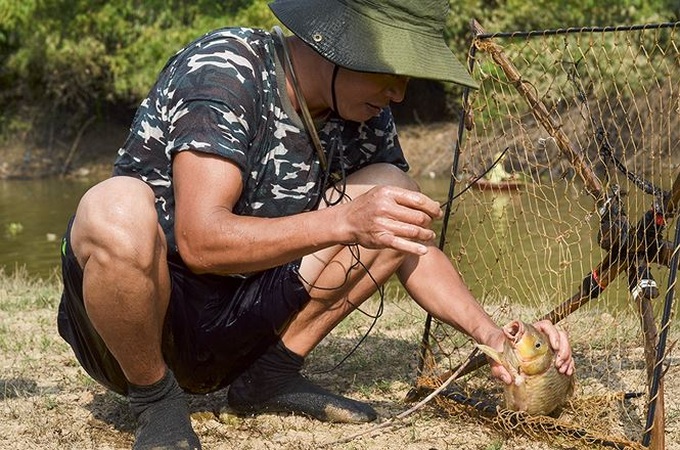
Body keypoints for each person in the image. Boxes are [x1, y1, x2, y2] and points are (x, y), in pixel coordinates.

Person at [57, 0, 575, 449]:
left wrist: (495, 339)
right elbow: (199, 242)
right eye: (390, 69)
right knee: (115, 209)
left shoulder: (363, 110)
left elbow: (407, 242)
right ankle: (156, 399)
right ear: (335, 46)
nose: (399, 92)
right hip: (149, 316)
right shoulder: (224, 70)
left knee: (394, 191)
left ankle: (270, 375)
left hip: (244, 323)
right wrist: (344, 220)